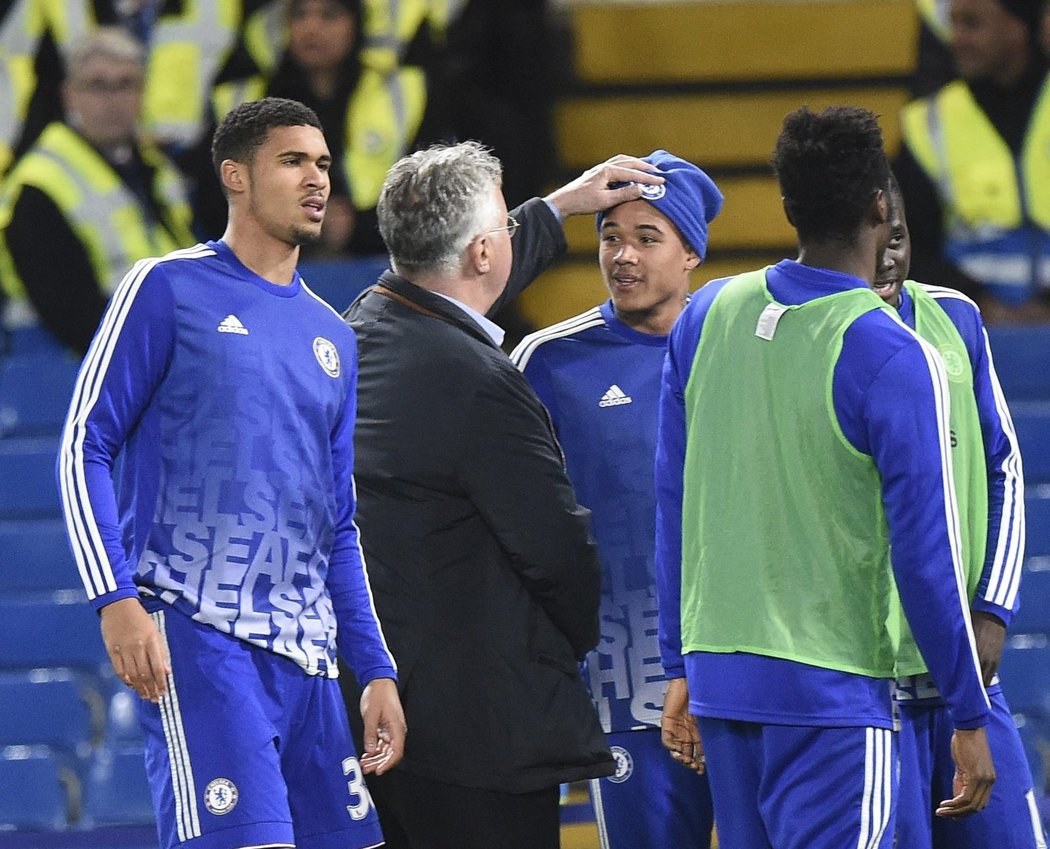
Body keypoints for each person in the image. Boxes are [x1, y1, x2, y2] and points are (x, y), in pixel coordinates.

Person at [56, 96, 406, 849]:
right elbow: (83, 443)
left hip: (309, 661)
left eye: (322, 163)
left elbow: (335, 521)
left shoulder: (332, 338)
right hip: (197, 633)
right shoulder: (165, 287)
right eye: (292, 161)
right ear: (234, 177)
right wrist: (115, 599)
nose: (317, 179)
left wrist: (374, 668)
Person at [655, 105, 996, 848]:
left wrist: (678, 660)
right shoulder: (896, 353)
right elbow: (926, 554)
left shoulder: (706, 312)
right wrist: (969, 713)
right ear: (881, 204)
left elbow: (673, 502)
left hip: (721, 683)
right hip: (833, 694)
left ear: (786, 204)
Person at [343, 141, 664, 849]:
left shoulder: (362, 326)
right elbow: (558, 553)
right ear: (485, 253)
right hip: (483, 733)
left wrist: (558, 207)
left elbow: (452, 269)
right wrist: (560, 650)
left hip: (379, 713)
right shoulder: (481, 382)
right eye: (503, 230)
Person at [510, 149, 721, 849]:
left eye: (646, 237)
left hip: (743, 675)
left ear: (691, 252)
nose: (622, 256)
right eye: (609, 236)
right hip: (626, 686)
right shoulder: (548, 360)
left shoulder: (738, 349)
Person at [875, 176, 1044, 848]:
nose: (887, 255)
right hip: (869, 689)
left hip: (963, 674)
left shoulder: (955, 316)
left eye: (900, 236)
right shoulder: (808, 336)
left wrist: (993, 610)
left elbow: (1003, 465)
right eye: (873, 238)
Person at [0, 27, 196, 355]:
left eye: (125, 85)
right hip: (64, 367)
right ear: (69, 96)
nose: (112, 100)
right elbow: (72, 315)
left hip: (156, 348)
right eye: (97, 85)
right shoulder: (38, 185)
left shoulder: (154, 168)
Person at [199, 0, 425, 258]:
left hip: (379, 261)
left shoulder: (403, 93)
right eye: (300, 15)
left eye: (330, 15)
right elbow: (212, 203)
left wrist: (358, 225)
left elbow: (423, 199)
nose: (312, 27)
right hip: (268, 266)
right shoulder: (241, 99)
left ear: (357, 24)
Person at [896, 0, 1050, 322]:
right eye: (954, 24)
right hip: (966, 331)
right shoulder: (929, 124)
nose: (958, 39)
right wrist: (984, 307)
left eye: (972, 24)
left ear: (1017, 28)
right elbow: (909, 246)